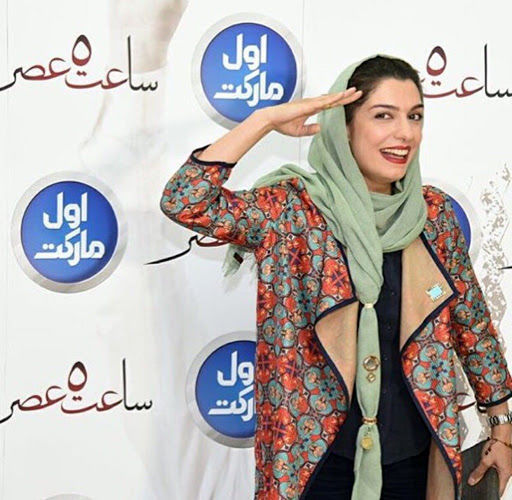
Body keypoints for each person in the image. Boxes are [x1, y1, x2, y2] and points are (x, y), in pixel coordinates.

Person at [160, 54, 512, 499]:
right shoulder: (292, 211)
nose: (404, 133)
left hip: (413, 458)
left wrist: (501, 428)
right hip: (312, 463)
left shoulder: (433, 215)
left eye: (414, 116)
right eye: (383, 116)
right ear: (343, 127)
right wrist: (264, 121)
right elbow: (185, 201)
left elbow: (471, 325)